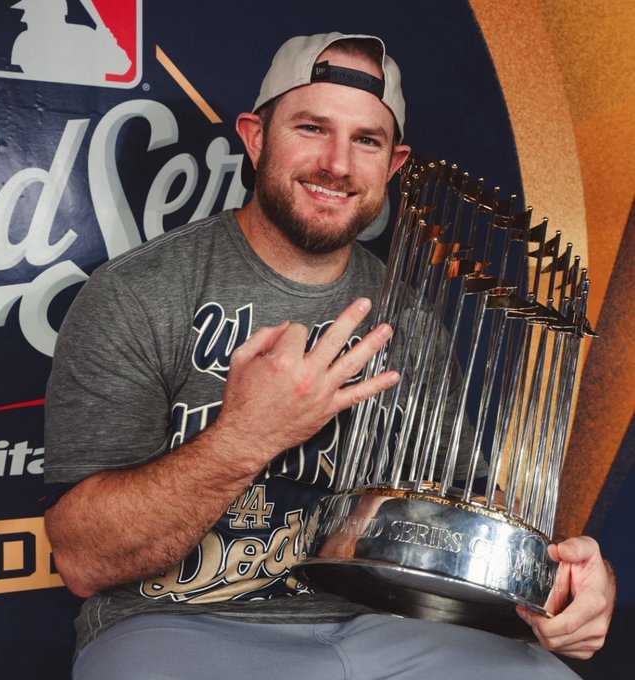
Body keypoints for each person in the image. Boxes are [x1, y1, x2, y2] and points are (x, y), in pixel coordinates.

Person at [44, 32, 615, 679]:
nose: (337, 164)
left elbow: (468, 515)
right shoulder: (137, 294)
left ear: (393, 164)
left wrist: (569, 585)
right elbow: (84, 560)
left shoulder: (409, 318)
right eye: (312, 128)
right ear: (255, 137)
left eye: (366, 140)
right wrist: (249, 436)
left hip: (384, 625)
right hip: (178, 628)